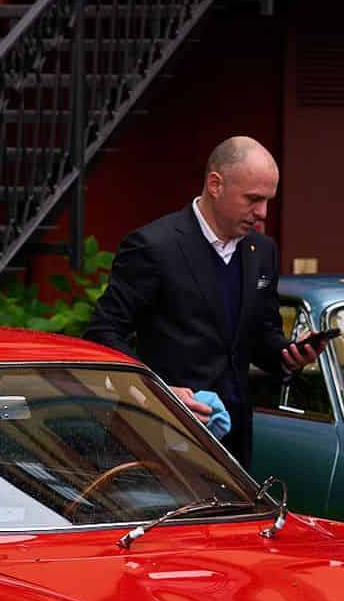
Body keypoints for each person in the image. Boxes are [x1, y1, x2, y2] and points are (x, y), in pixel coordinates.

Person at [85, 136, 327, 466]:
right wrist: (159, 391)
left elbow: (258, 335)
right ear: (215, 184)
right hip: (159, 436)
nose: (262, 213)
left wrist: (288, 354)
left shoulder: (262, 251)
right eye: (253, 199)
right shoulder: (154, 246)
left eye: (268, 201)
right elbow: (103, 332)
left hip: (232, 442)